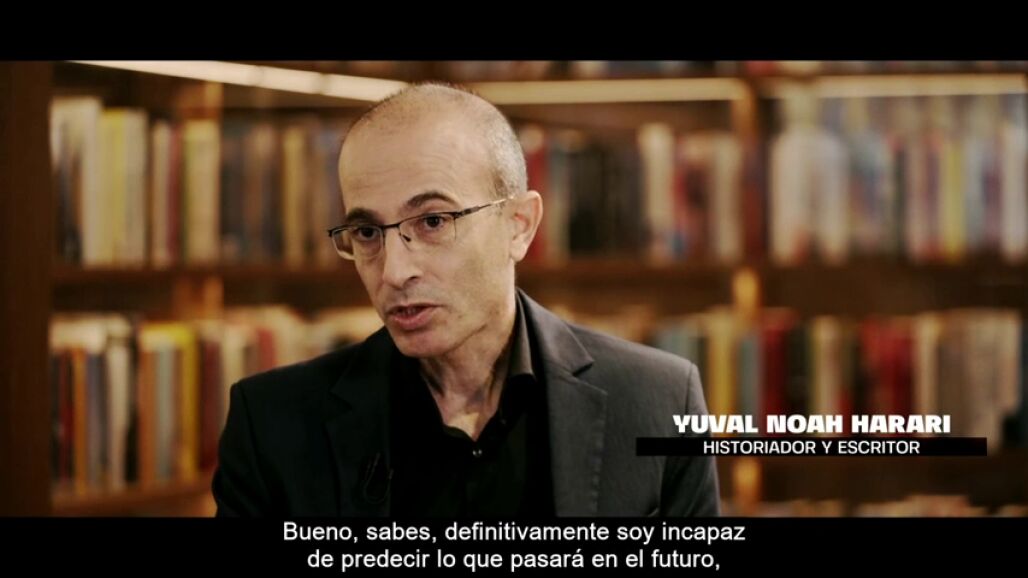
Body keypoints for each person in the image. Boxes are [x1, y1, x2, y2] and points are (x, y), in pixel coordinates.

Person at [212, 82, 719, 517]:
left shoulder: (659, 402)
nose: (394, 272)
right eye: (367, 232)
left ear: (519, 225)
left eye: (433, 221)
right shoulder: (270, 425)